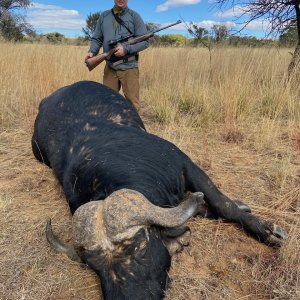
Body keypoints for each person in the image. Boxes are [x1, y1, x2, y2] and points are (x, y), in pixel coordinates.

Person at [85, 0, 149, 111]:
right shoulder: (104, 16)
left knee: (133, 106)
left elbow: (145, 41)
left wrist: (126, 49)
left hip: (129, 68)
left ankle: (133, 128)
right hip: (110, 67)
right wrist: (92, 51)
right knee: (107, 103)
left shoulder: (135, 16)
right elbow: (97, 38)